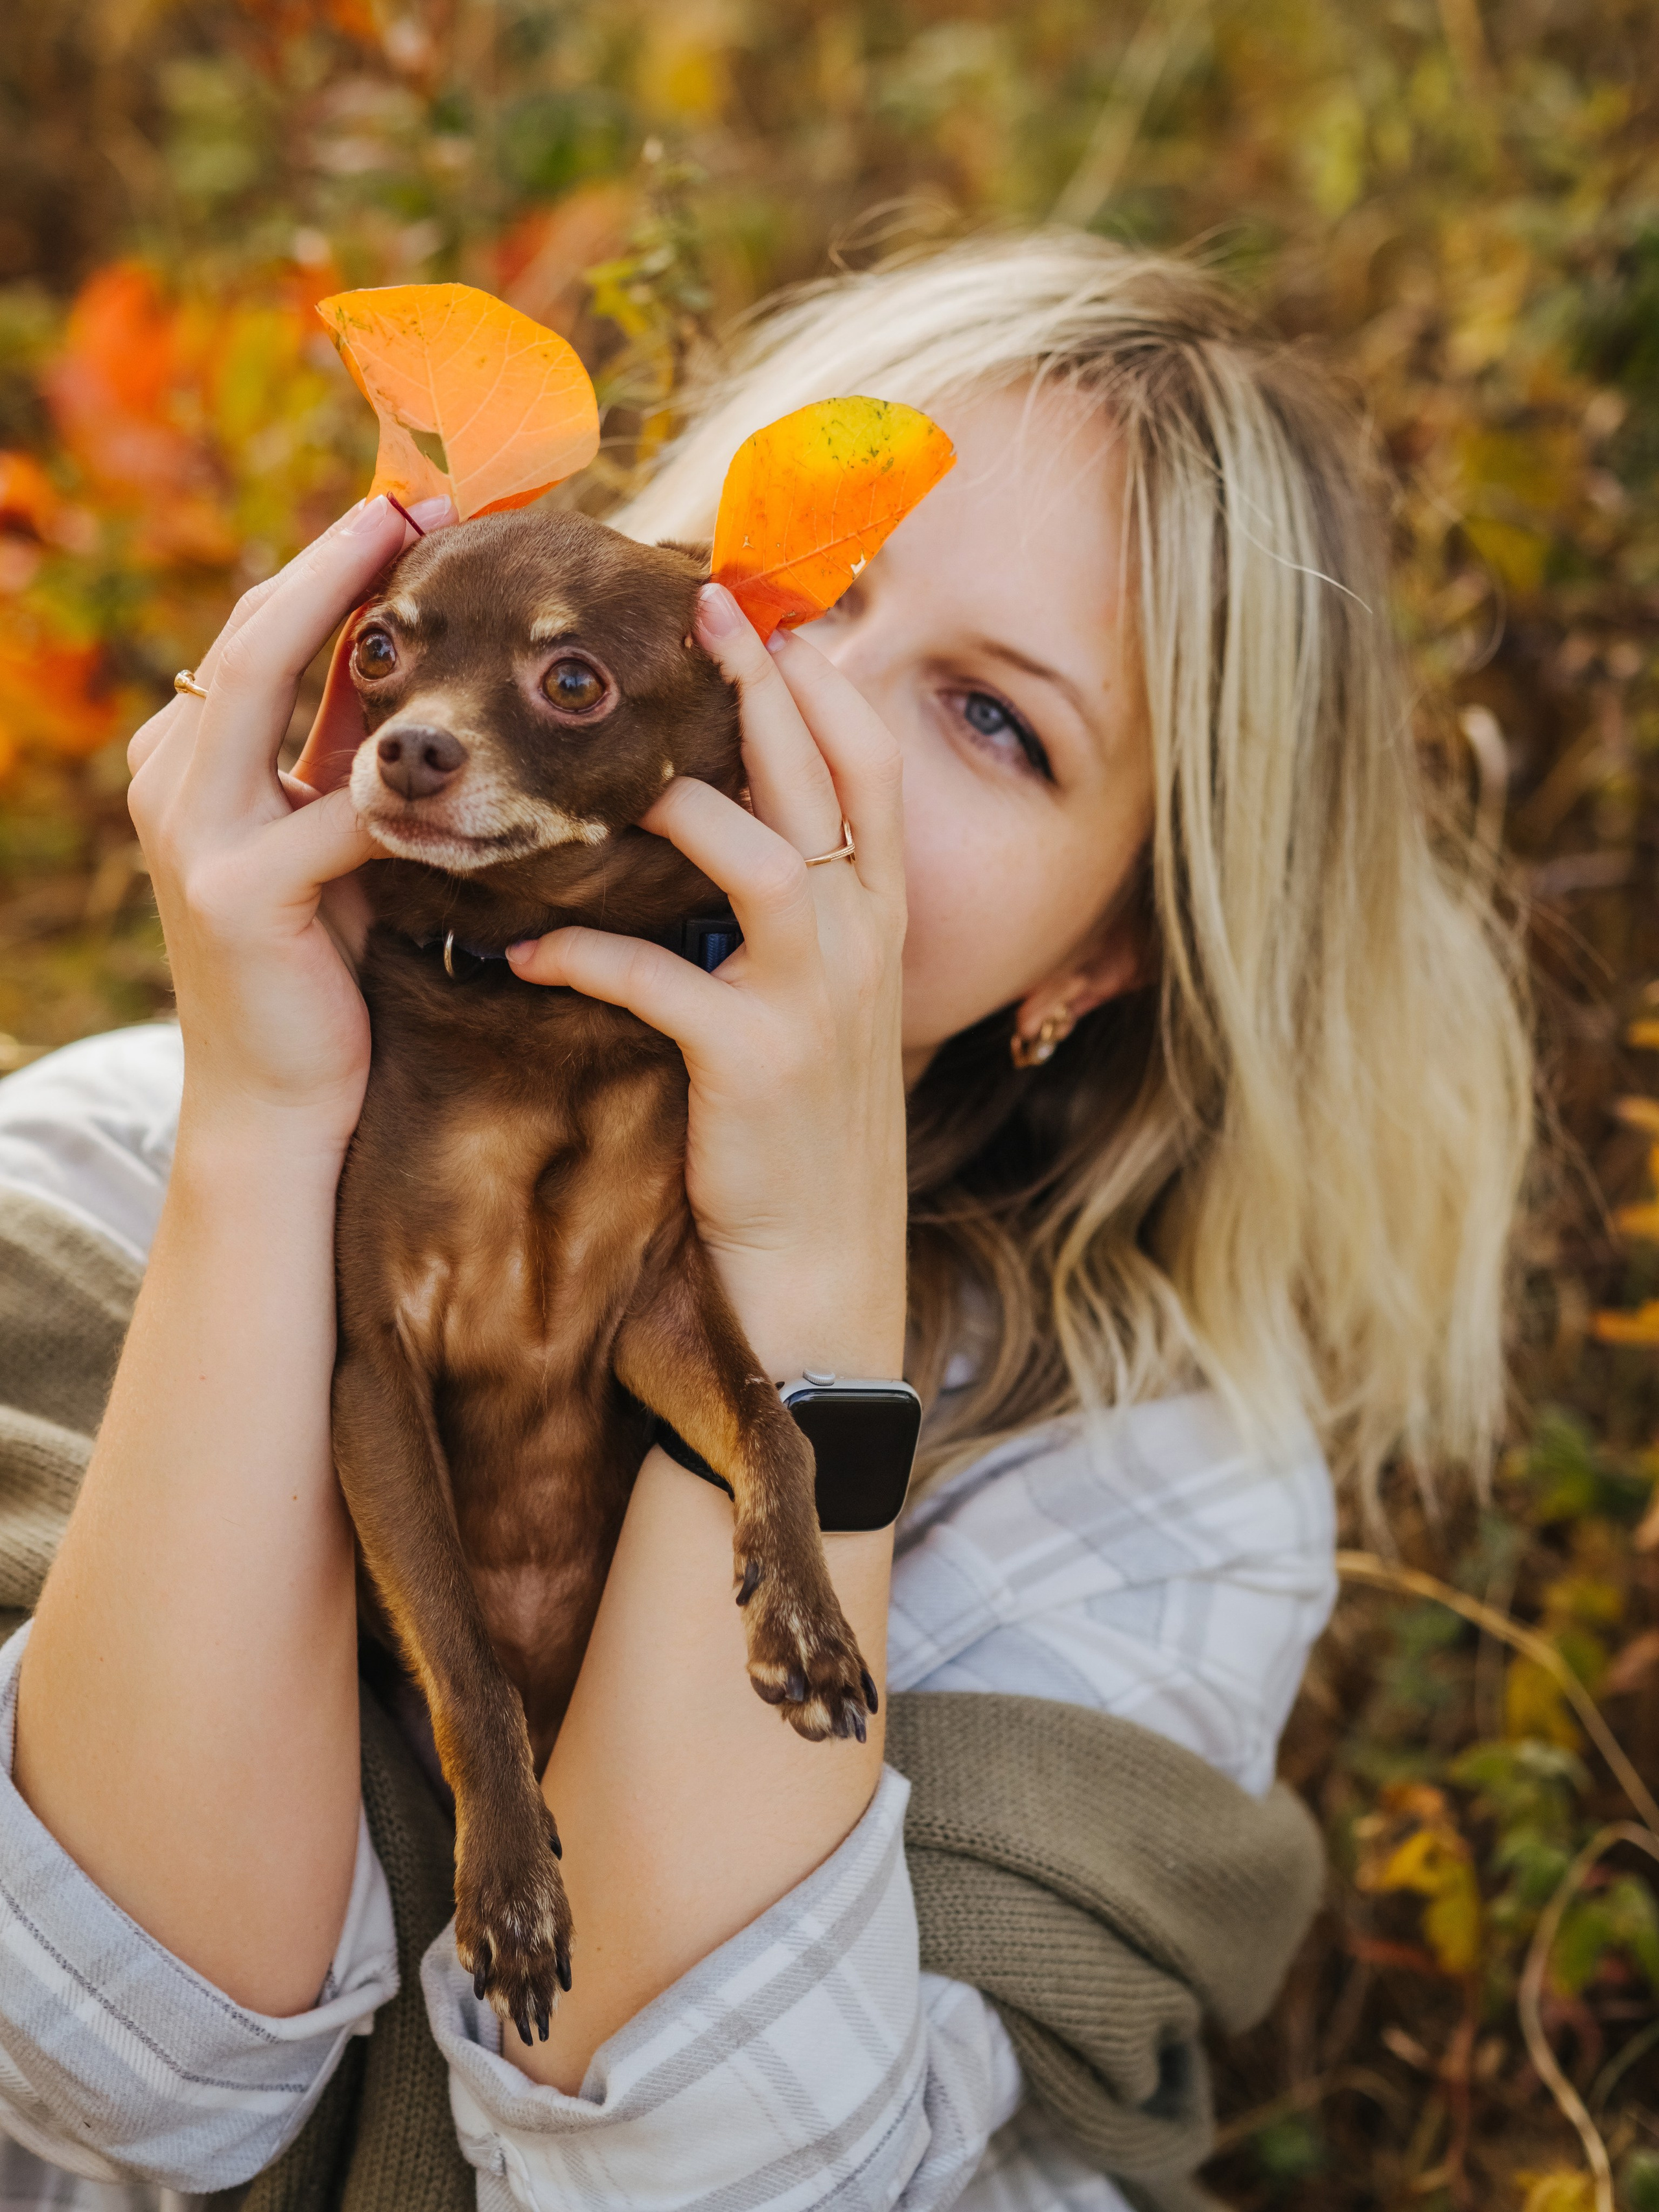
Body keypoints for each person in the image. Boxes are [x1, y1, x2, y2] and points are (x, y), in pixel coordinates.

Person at [0, 233, 1530, 2211]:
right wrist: (270, 1130)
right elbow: (108, 2066)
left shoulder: (1148, 1500)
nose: (808, 720)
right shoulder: (128, 1155)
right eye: (774, 599)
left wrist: (811, 1274)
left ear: (1111, 955)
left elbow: (690, 2183)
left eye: (994, 723)